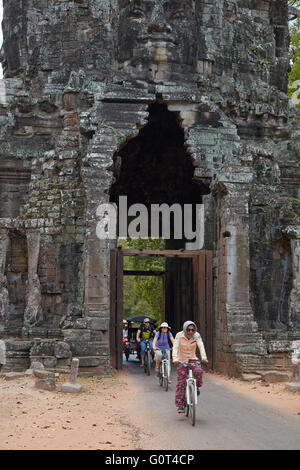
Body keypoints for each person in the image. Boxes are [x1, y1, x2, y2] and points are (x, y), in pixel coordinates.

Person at [172, 320, 208, 413]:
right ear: (185, 329)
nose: (190, 332)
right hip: (181, 360)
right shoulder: (179, 335)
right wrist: (175, 358)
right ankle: (180, 405)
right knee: (181, 382)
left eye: (192, 330)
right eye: (188, 330)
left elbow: (201, 346)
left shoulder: (196, 335)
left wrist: (204, 357)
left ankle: (196, 387)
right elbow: (175, 347)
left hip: (193, 358)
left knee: (198, 371)